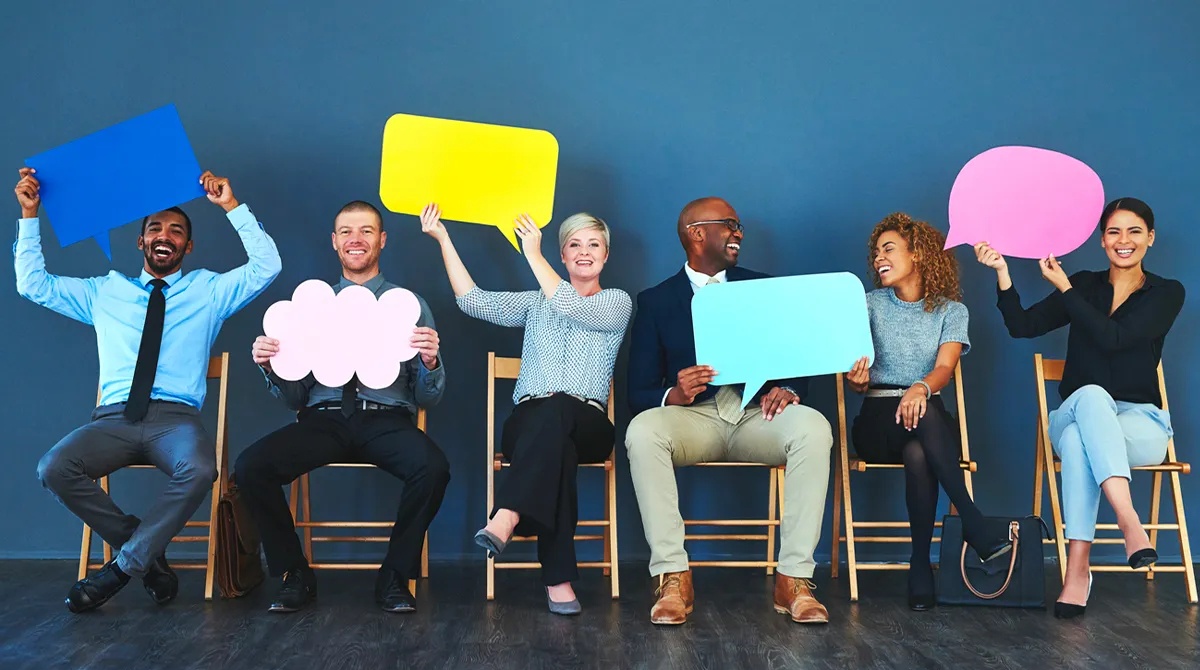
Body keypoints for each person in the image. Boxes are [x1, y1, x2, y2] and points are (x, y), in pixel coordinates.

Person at [15, 167, 282, 612]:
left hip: (174, 423)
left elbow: (267, 265)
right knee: (53, 468)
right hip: (113, 420)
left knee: (199, 470)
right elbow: (32, 284)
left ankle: (121, 569)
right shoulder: (105, 292)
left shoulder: (209, 291)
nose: (165, 234)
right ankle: (142, 548)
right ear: (141, 242)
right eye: (154, 228)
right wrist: (29, 215)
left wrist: (231, 207)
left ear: (188, 246)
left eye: (176, 230)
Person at [624, 197, 834, 626]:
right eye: (730, 225)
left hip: (759, 417)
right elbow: (638, 391)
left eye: (740, 226)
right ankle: (672, 576)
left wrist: (790, 389)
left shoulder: (765, 289)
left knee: (814, 427)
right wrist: (675, 394)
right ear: (696, 233)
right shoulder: (655, 301)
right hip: (694, 419)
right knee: (643, 430)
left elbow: (800, 364)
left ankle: (793, 579)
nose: (739, 233)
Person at [974, 197, 1184, 619]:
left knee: (1076, 443)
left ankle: (1078, 570)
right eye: (1113, 232)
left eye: (1134, 231)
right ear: (1102, 239)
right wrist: (1002, 273)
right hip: (1078, 409)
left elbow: (1116, 340)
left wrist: (1066, 290)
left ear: (1151, 238)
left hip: (1139, 425)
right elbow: (1022, 326)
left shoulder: (1166, 293)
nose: (1123, 241)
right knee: (1089, 397)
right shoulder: (1086, 284)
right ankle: (1130, 522)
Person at [236, 200, 449, 615]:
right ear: (334, 242)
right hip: (324, 419)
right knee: (250, 467)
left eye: (367, 231)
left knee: (434, 467)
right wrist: (272, 368)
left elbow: (429, 397)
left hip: (386, 418)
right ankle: (294, 573)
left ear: (382, 241)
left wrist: (431, 363)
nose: (356, 239)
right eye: (347, 231)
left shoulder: (407, 305)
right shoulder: (311, 306)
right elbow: (295, 399)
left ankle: (394, 576)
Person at [422, 204, 631, 615]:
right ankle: (558, 580)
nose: (584, 252)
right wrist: (443, 239)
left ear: (606, 256)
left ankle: (507, 513)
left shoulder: (616, 303)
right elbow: (472, 301)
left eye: (594, 245)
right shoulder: (536, 303)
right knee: (556, 445)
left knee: (560, 416)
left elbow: (572, 306)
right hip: (530, 425)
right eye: (574, 244)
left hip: (589, 422)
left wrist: (532, 254)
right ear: (564, 255)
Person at [846, 213, 1013, 612]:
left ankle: (919, 563)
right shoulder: (867, 305)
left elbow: (944, 369)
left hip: (926, 415)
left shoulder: (952, 311)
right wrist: (856, 379)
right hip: (877, 421)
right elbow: (855, 378)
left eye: (889, 249)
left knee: (921, 448)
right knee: (922, 429)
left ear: (918, 253)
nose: (878, 259)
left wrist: (919, 388)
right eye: (876, 253)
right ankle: (974, 522)